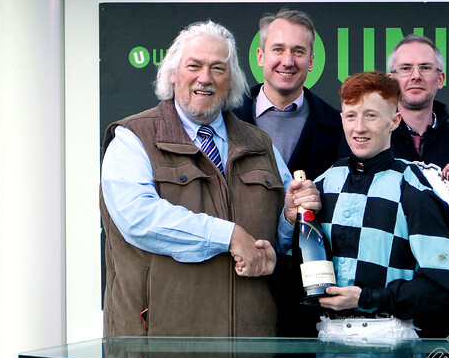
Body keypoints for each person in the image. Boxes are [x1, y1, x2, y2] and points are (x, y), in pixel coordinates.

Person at [100, 20, 318, 337]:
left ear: (231, 81)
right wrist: (227, 235)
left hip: (249, 351)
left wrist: (287, 218)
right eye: (194, 66)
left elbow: (280, 243)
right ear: (172, 74)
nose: (205, 78)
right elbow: (139, 219)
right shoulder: (133, 138)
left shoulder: (260, 144)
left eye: (218, 68)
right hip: (161, 350)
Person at [282, 71, 449, 342]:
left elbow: (445, 284)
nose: (360, 128)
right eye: (352, 115)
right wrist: (288, 218)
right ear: (341, 119)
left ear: (394, 121)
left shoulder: (414, 189)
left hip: (392, 339)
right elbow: (291, 273)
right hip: (327, 340)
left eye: (371, 115)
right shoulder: (321, 184)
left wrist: (367, 298)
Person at [234, 8, 343, 181]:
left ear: (311, 61)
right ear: (260, 57)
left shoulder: (337, 126)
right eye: (278, 49)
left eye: (298, 51)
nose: (287, 62)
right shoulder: (226, 119)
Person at [387, 35, 449, 193]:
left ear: (440, 79)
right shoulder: (370, 140)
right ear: (390, 81)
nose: (416, 76)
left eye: (425, 68)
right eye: (406, 68)